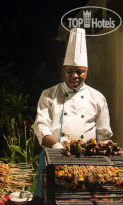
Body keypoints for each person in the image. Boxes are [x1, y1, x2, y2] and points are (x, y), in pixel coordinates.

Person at [33, 27, 113, 198]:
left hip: (85, 163)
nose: (75, 75)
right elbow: (41, 126)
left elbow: (103, 135)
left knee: (80, 199)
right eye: (70, 71)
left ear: (87, 72)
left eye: (80, 71)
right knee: (49, 199)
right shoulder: (48, 95)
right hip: (52, 159)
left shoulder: (98, 98)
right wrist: (56, 145)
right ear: (63, 70)